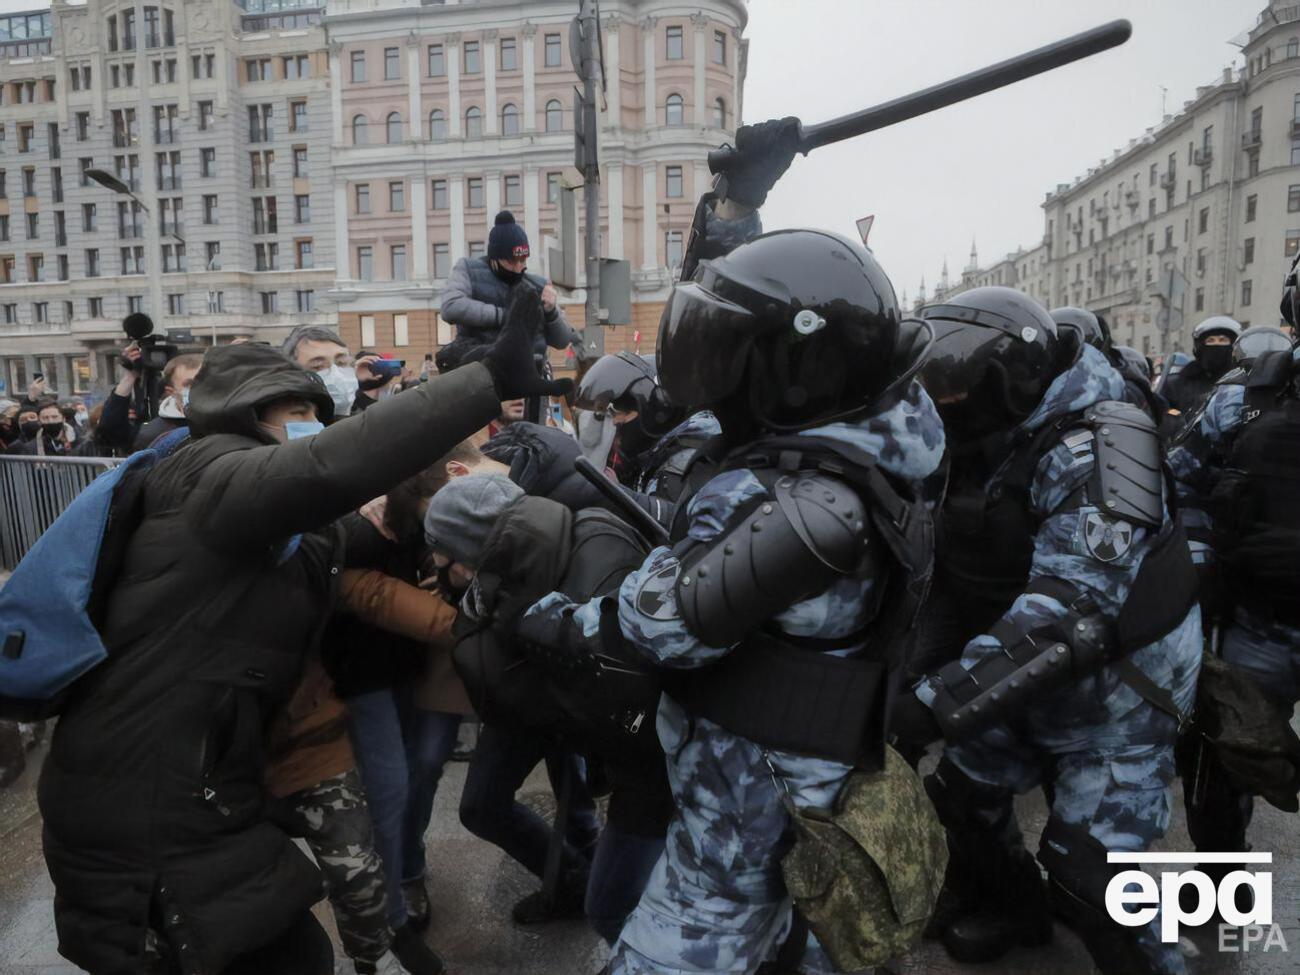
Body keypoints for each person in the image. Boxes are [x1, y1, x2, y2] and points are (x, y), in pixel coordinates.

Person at [513, 130, 946, 970]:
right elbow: (761, 325)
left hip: (754, 802)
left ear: (791, 366)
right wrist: (732, 216)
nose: (710, 372)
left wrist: (560, 620)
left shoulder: (791, 502)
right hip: (824, 771)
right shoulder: (885, 427)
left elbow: (658, 626)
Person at [35, 295, 568, 975]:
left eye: (323, 409)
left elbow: (350, 539)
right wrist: (487, 379)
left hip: (203, 792)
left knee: (298, 946)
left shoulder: (279, 526)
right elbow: (329, 467)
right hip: (142, 811)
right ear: (251, 415)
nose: (316, 425)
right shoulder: (210, 474)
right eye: (300, 411)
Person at [891, 287, 1202, 975]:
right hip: (1014, 659)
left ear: (1011, 376)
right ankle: (1015, 908)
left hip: (1118, 692)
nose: (944, 402)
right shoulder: (977, 441)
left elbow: (1072, 613)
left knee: (1091, 878)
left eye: (956, 386)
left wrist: (931, 705)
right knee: (961, 807)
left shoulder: (1102, 441)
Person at [424, 472, 666, 943]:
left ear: (475, 554)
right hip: (540, 707)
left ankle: (580, 880)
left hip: (585, 725)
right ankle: (576, 873)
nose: (436, 565)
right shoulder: (530, 551)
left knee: (608, 903)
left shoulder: (557, 580)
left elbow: (622, 703)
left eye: (444, 555)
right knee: (491, 804)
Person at [1165, 265, 1300, 882]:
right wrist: (1201, 561)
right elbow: (1176, 481)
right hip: (1254, 624)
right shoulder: (1244, 399)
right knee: (1219, 763)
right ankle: (1222, 881)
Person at [440, 210, 580, 357]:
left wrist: (551, 312)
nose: (518, 267)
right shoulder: (469, 270)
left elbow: (562, 341)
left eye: (523, 260)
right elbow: (451, 306)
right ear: (494, 257)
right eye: (511, 261)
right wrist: (504, 316)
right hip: (481, 369)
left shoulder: (538, 285)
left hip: (530, 370)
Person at [1161, 316, 1242, 431]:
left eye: (1223, 340)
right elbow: (1165, 414)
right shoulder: (1178, 384)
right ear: (1200, 347)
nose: (1216, 345)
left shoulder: (1244, 379)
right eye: (1210, 340)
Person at [281, 324, 360, 419]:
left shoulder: (369, 424)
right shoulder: (289, 430)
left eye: (341, 362)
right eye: (317, 366)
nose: (337, 375)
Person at [132, 352, 204, 452]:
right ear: (172, 392)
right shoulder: (154, 436)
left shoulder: (229, 424)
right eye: (190, 384)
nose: (201, 388)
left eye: (206, 381)